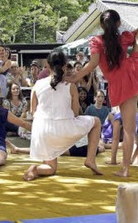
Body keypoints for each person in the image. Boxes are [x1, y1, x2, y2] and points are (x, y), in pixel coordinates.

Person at [70, 0, 138, 177]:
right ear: (118, 23)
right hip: (134, 71)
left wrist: (75, 77)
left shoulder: (97, 41)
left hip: (119, 82)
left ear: (102, 25)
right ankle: (125, 168)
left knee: (127, 128)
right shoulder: (123, 37)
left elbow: (92, 65)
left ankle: (125, 169)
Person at [22, 52, 102, 181]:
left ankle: (36, 169)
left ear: (47, 65)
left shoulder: (37, 84)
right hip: (63, 128)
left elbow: (32, 111)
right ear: (65, 66)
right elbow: (75, 113)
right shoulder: (70, 85)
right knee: (96, 122)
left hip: (42, 130)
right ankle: (90, 160)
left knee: (51, 168)